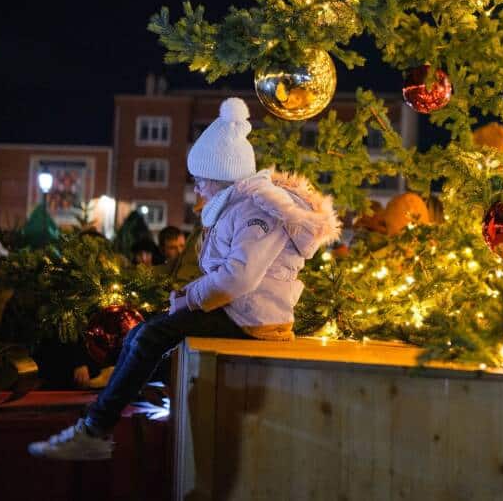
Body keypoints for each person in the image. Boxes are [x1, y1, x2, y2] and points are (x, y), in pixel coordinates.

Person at [28, 97, 341, 460]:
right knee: (141, 334)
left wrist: (190, 298)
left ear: (219, 178)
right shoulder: (236, 207)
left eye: (199, 180)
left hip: (255, 318)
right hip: (239, 310)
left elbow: (238, 278)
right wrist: (187, 297)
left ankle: (96, 429)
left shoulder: (259, 210)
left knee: (151, 335)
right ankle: (101, 421)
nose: (197, 189)